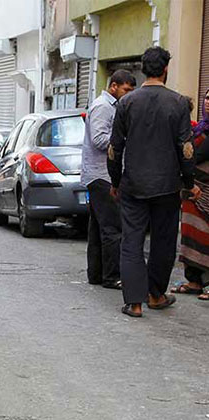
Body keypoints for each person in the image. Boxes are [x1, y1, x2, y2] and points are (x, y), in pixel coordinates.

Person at [108, 46, 200, 318]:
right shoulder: (179, 103)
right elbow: (186, 148)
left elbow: (115, 148)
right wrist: (189, 181)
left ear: (143, 69)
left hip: (134, 184)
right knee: (163, 240)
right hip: (167, 186)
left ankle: (134, 303)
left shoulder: (127, 103)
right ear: (166, 70)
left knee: (132, 241)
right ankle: (156, 294)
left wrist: (115, 180)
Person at [81, 69, 136, 290]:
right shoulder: (104, 107)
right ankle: (112, 276)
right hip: (102, 175)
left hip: (97, 174)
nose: (129, 94)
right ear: (114, 86)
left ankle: (96, 273)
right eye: (126, 90)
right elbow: (99, 139)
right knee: (112, 228)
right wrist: (124, 138)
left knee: (98, 228)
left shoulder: (110, 106)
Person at [173, 88, 209, 301]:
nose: (208, 102)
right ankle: (194, 281)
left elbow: (194, 157)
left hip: (205, 191)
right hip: (191, 189)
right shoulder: (198, 129)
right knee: (190, 234)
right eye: (207, 97)